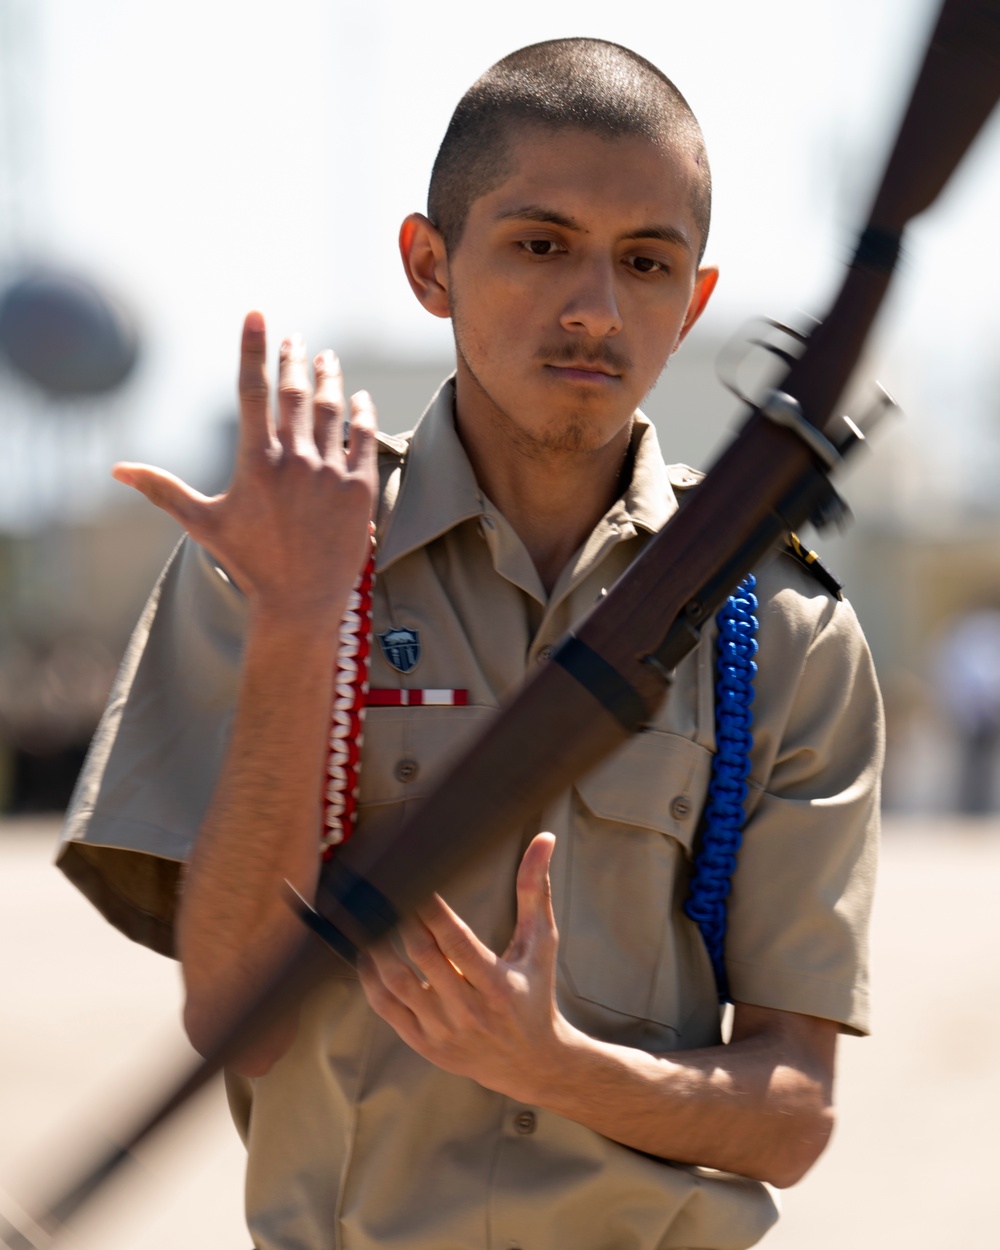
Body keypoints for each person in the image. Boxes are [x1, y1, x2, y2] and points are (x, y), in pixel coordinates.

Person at [58, 38, 883, 1250]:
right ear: (429, 264)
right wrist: (299, 624)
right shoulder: (283, 557)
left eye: (645, 262)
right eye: (541, 244)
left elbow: (793, 1113)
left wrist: (552, 1065)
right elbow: (240, 1017)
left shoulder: (778, 625)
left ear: (695, 298)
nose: (595, 307)